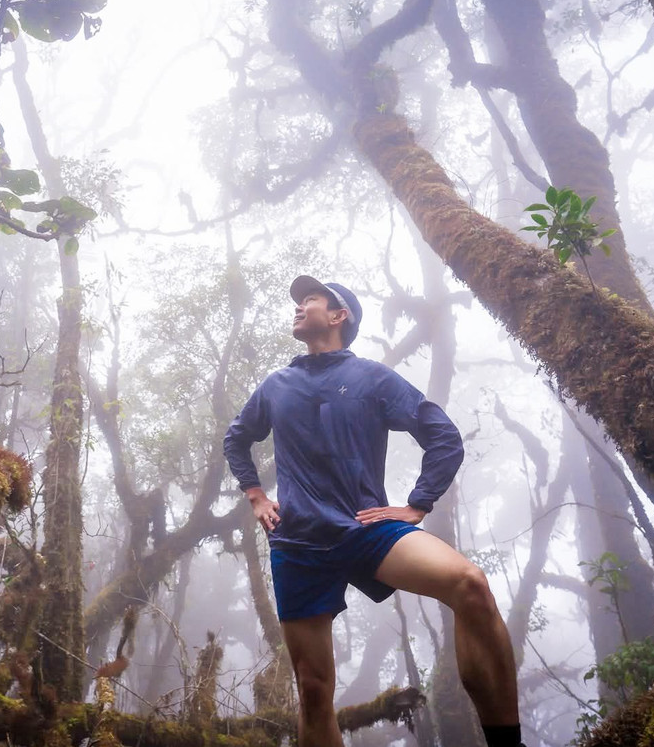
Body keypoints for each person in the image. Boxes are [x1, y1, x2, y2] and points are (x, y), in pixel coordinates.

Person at [224, 275, 524, 747]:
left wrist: (417, 504)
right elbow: (236, 438)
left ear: (339, 315)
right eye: (299, 303)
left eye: (311, 301)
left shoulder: (371, 378)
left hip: (366, 529)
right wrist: (256, 496)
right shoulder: (277, 384)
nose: (299, 308)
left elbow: (441, 436)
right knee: (315, 692)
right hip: (299, 542)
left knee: (470, 585)